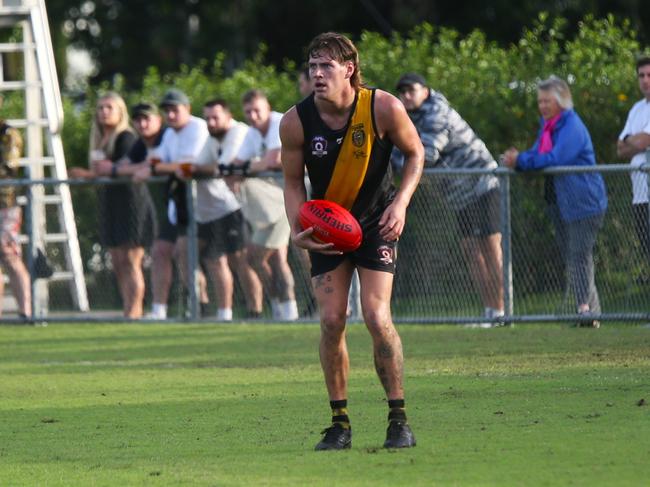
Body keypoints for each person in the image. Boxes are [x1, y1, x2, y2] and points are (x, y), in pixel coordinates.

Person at [280, 32, 424, 449]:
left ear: (350, 68)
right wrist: (298, 227)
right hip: (328, 228)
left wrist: (400, 204)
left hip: (377, 223)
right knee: (330, 321)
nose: (317, 74)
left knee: (377, 318)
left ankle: (399, 419)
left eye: (326, 65)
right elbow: (292, 182)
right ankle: (339, 423)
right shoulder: (295, 121)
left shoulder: (382, 106)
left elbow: (416, 154)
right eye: (312, 67)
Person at [393, 73, 504, 326]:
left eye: (411, 90)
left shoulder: (436, 112)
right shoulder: (410, 117)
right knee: (471, 251)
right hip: (458, 196)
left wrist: (390, 159)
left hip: (482, 184)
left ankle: (502, 313)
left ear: (426, 90)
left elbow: (427, 155)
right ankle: (490, 312)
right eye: (402, 92)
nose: (406, 96)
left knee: (490, 248)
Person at [503, 75, 607, 328]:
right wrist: (520, 159)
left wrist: (520, 161)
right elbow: (539, 152)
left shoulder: (571, 125)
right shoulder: (548, 125)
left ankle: (586, 311)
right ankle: (589, 312)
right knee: (573, 257)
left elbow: (554, 158)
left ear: (561, 101)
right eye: (540, 101)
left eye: (547, 101)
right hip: (560, 202)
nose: (542, 106)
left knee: (579, 254)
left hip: (583, 202)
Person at [175, 99, 264, 320]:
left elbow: (223, 166)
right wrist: (196, 168)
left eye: (216, 117)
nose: (211, 122)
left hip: (236, 207)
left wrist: (196, 168)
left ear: (228, 115)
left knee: (244, 261)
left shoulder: (238, 132)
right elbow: (201, 164)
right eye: (207, 118)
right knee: (196, 255)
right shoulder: (213, 138)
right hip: (209, 211)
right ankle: (211, 309)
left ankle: (259, 311)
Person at [70, 92, 151, 319]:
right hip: (110, 204)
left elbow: (117, 170)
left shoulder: (125, 137)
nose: (104, 112)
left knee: (131, 260)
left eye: (109, 107)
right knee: (117, 261)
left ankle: (135, 312)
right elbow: (101, 172)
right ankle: (127, 308)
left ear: (120, 112)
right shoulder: (99, 140)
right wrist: (88, 175)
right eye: (100, 108)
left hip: (131, 204)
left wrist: (87, 174)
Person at [133, 89, 210, 320]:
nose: (171, 115)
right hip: (178, 204)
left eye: (175, 109)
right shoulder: (169, 134)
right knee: (161, 251)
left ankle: (210, 307)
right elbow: (157, 159)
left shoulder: (198, 128)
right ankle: (160, 310)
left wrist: (157, 168)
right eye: (167, 111)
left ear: (187, 109)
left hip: (204, 204)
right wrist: (158, 165)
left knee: (205, 257)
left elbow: (188, 165)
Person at [230, 90, 298, 321]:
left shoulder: (279, 122)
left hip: (292, 198)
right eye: (248, 111)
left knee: (256, 257)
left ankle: (295, 309)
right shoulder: (252, 133)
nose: (253, 115)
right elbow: (236, 165)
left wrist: (246, 168)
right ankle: (284, 310)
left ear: (268, 107)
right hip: (272, 204)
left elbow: (272, 161)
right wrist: (245, 168)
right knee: (274, 259)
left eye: (257, 109)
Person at [616, 57, 650, 260]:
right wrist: (634, 142)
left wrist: (633, 141)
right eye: (641, 76)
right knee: (645, 246)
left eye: (649, 75)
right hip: (639, 194)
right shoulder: (636, 109)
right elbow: (620, 149)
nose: (645, 80)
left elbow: (641, 143)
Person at [0, 107, 32, 319]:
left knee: (10, 255)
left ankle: (27, 312)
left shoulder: (8, 134)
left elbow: (8, 167)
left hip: (5, 205)